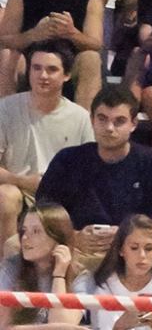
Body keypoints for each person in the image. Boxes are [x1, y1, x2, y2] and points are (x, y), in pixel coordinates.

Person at [37, 87, 152, 277]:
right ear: (92, 120)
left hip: (137, 254)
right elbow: (41, 216)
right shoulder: (67, 159)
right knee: (16, 244)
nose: (109, 128)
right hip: (80, 254)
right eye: (102, 119)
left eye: (119, 121)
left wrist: (131, 238)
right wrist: (74, 236)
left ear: (133, 124)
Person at [0, 42, 92, 249]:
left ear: (66, 75)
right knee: (5, 195)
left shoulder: (80, 117)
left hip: (62, 194)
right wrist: (23, 181)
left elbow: (90, 170)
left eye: (52, 70)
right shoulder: (5, 109)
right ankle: (7, 268)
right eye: (37, 68)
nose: (43, 75)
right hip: (20, 191)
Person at [1, 0, 108, 102]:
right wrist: (34, 35)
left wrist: (71, 33)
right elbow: (4, 40)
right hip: (30, 63)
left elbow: (96, 44)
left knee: (91, 58)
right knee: (7, 54)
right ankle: (5, 117)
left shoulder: (89, 0)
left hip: (69, 65)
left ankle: (85, 123)